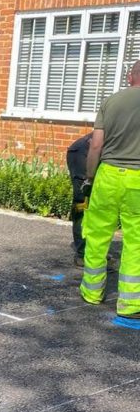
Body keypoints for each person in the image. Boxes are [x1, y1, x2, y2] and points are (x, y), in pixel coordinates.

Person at [80, 60, 140, 320]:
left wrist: (90, 177)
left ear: (131, 76)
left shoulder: (111, 102)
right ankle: (130, 304)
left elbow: (95, 146)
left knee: (97, 234)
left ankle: (92, 293)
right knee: (136, 241)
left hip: (108, 175)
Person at [66, 132, 91, 266]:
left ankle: (93, 250)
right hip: (83, 152)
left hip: (99, 154)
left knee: (99, 205)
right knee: (82, 202)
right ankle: (82, 254)